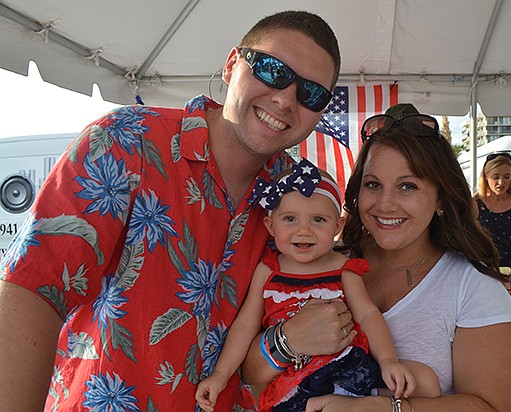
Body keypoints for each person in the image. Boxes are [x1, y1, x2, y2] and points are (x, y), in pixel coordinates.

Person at [0, 10, 344, 411]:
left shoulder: (297, 193)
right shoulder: (126, 141)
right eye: (271, 70)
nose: (286, 99)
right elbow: (33, 289)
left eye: (312, 93)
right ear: (232, 65)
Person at [241, 109, 511, 411]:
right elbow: (250, 375)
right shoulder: (317, 262)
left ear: (441, 197)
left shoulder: (473, 287)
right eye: (373, 184)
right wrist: (288, 340)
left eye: (407, 186)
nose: (385, 204)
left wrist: (387, 409)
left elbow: (493, 407)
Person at [195, 159, 439, 411]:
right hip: (296, 379)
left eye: (318, 220)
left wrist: (388, 361)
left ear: (337, 226)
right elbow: (245, 324)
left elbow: (367, 314)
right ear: (270, 225)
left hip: (346, 366)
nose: (304, 231)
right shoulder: (268, 270)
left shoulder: (344, 269)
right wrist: (221, 375)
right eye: (290, 219)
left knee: (426, 381)